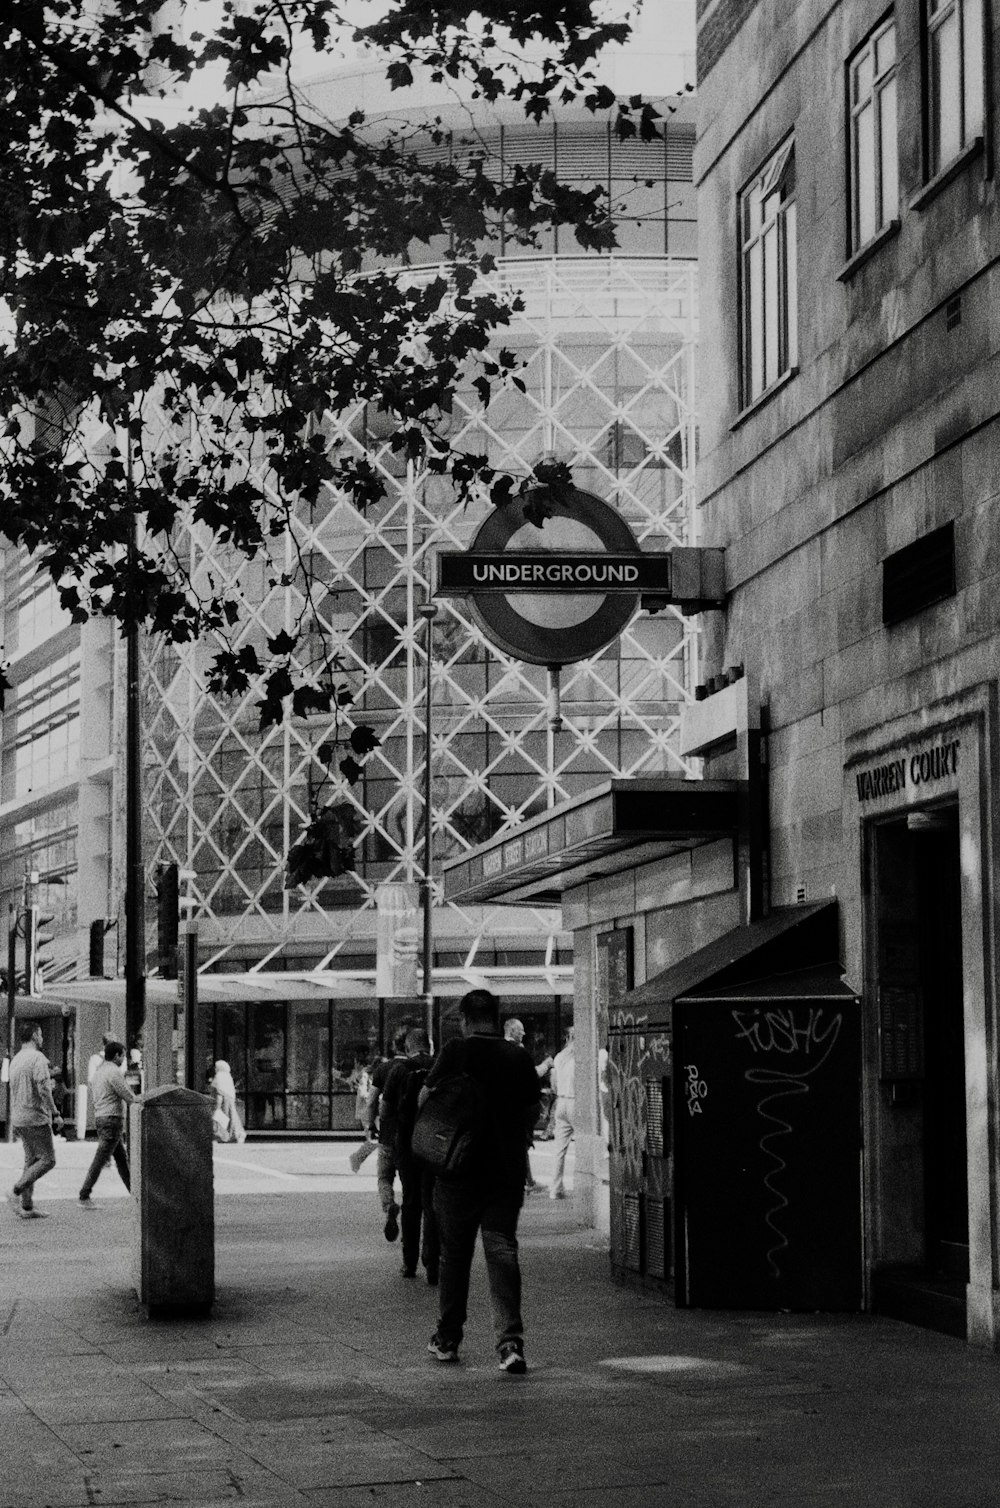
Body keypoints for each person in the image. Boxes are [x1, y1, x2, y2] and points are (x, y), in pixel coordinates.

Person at [425, 989, 540, 1374]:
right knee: (502, 1250)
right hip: (505, 1170)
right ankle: (510, 1344)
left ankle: (448, 1339)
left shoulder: (456, 1051)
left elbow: (428, 1097)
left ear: (464, 1019)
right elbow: (532, 1111)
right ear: (496, 1016)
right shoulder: (518, 1056)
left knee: (454, 1256)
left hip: (457, 1170)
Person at [379, 1027, 439, 1283]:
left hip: (407, 1145)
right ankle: (433, 1261)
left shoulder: (399, 1071)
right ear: (429, 1045)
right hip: (435, 1145)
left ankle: (410, 1262)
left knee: (412, 1202)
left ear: (407, 1048)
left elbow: (385, 1109)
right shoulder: (439, 1067)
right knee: (433, 1203)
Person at [7, 1021, 63, 1219]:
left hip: (19, 1117)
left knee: (31, 1161)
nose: (42, 1038)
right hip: (35, 1116)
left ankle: (27, 1207)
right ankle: (16, 1190)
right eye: (40, 1034)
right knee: (48, 1160)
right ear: (33, 1036)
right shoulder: (37, 1058)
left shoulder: (16, 1059)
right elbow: (44, 1089)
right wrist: (55, 1113)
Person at [79, 1040, 135, 1205]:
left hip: (101, 1117)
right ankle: (84, 1193)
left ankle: (135, 1193)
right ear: (117, 1055)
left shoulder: (99, 1072)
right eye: (123, 1055)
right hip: (112, 1118)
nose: (124, 1059)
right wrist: (139, 1101)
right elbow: (127, 1095)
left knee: (121, 1159)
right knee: (101, 1158)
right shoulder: (113, 1072)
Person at [368, 1027, 409, 1241]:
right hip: (408, 1136)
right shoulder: (413, 1069)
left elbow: (372, 1100)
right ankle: (410, 1228)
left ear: (394, 1046)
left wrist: (370, 1125)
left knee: (384, 1177)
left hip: (386, 1135)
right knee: (408, 1179)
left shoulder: (383, 1069)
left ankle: (389, 1205)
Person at [503, 1018, 549, 1193]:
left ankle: (525, 1180)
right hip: (519, 1109)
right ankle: (525, 1181)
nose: (523, 1033)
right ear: (512, 1031)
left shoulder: (500, 1050)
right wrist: (546, 1065)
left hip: (507, 1108)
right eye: (520, 1030)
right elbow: (531, 1074)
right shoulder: (518, 1051)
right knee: (520, 1145)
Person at [549, 1024, 575, 1200]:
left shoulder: (559, 1057)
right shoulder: (581, 1057)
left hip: (561, 1102)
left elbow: (554, 1085)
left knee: (559, 1149)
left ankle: (555, 1189)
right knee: (584, 1145)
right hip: (575, 1101)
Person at [211, 1060, 246, 1143]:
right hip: (230, 1101)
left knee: (220, 1119)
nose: (215, 1069)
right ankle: (237, 1135)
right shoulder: (228, 1077)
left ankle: (221, 1136)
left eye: (216, 1067)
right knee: (232, 1118)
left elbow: (218, 1092)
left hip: (223, 1102)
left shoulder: (219, 1076)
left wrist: (217, 1106)